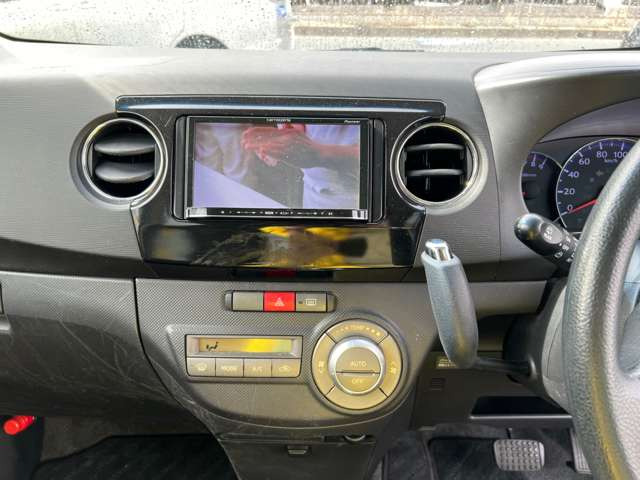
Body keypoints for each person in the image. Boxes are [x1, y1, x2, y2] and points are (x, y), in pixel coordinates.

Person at [241, 123, 360, 210]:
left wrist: (320, 154)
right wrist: (291, 130)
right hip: (312, 190)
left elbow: (370, 153)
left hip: (352, 197)